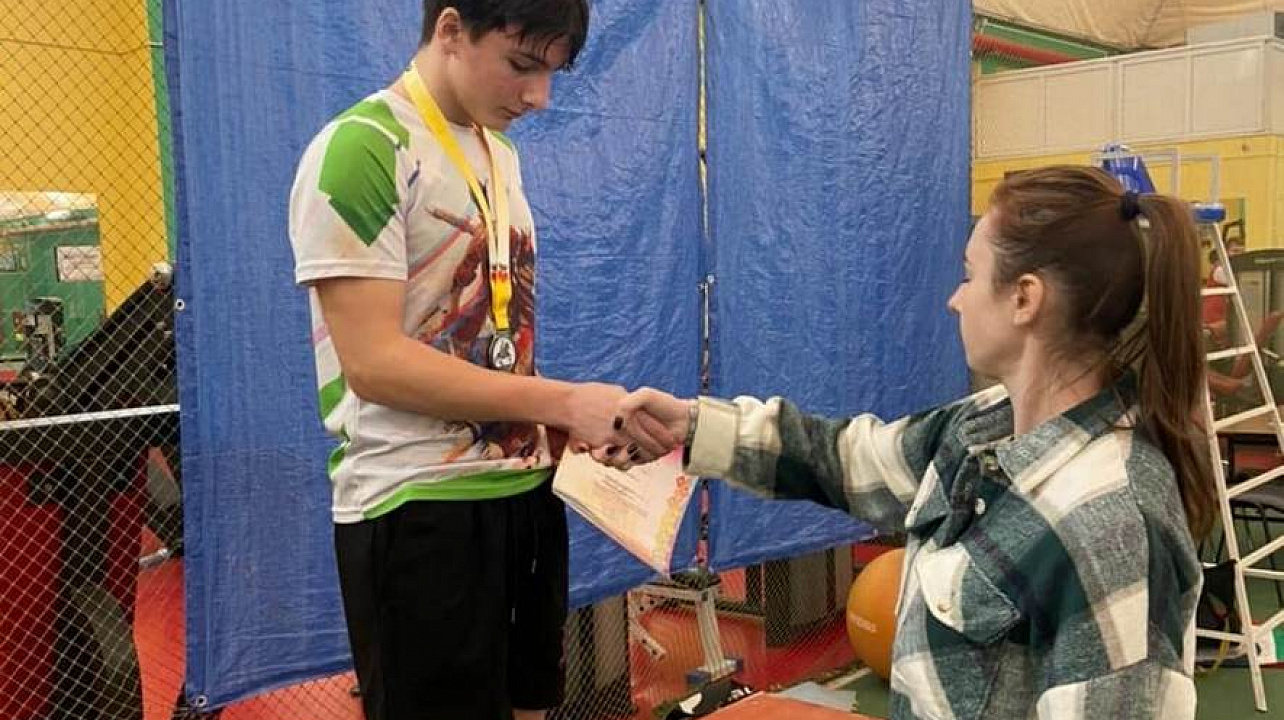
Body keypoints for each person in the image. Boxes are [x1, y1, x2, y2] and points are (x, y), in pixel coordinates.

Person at [607, 166, 1215, 719]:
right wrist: (690, 426)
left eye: (970, 276)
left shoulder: (1114, 521)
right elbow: (843, 458)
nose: (955, 298)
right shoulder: (978, 427)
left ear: (1025, 298)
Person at [287, 2, 629, 719]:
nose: (540, 97)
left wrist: (557, 423)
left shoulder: (498, 154)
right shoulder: (364, 147)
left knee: (531, 705)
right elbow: (375, 363)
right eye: (522, 65)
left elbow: (490, 336)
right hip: (419, 505)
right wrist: (563, 401)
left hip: (525, 490)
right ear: (449, 31)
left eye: (552, 73)